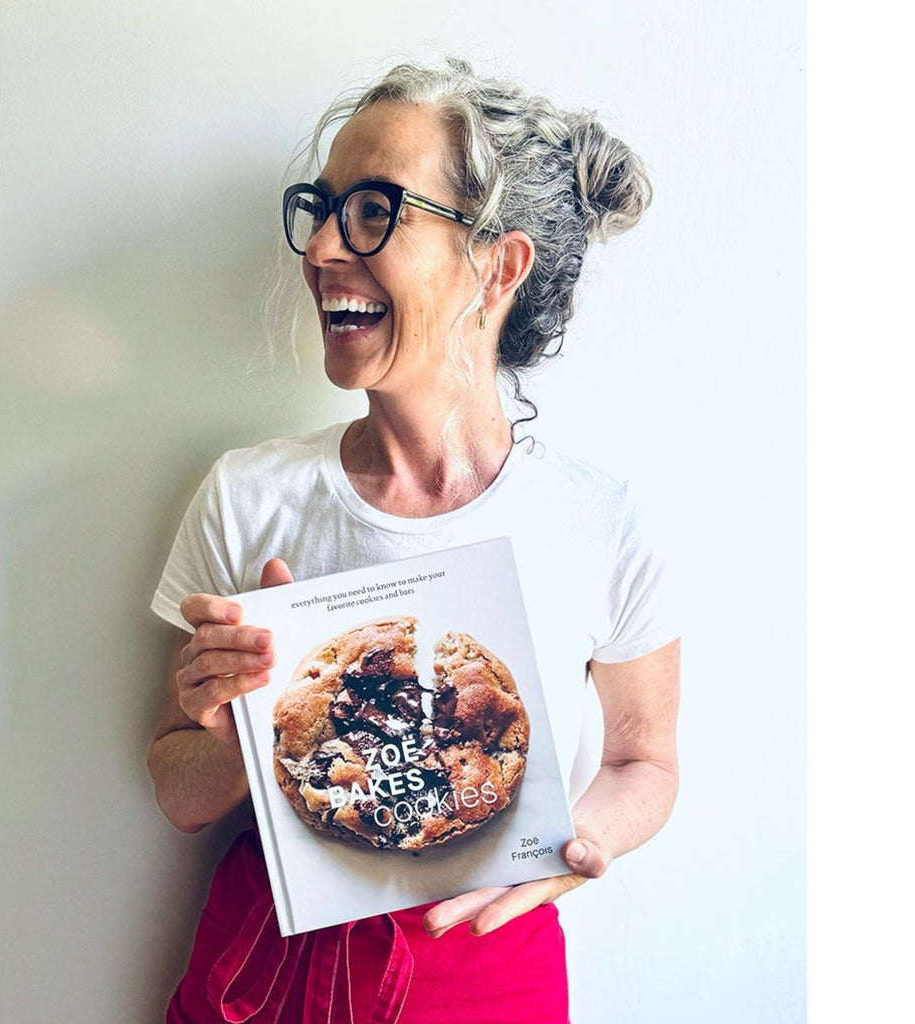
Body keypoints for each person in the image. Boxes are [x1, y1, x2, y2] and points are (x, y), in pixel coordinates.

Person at [148, 57, 680, 1024]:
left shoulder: (597, 521)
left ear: (497, 265)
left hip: (487, 969)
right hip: (269, 979)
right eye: (320, 209)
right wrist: (233, 730)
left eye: (373, 211)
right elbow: (182, 796)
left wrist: (574, 847)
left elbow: (646, 760)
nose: (318, 249)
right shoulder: (248, 496)